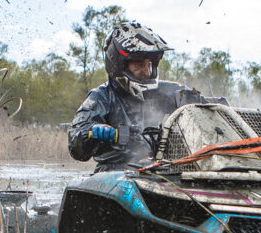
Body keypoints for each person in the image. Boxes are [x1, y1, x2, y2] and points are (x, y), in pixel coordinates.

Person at [68, 21, 226, 172]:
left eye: (149, 65)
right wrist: (91, 131)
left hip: (162, 170)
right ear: (119, 64)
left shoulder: (170, 92)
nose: (146, 71)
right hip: (114, 172)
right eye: (139, 65)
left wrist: (221, 110)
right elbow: (76, 144)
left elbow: (206, 108)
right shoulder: (102, 97)